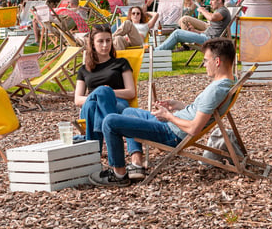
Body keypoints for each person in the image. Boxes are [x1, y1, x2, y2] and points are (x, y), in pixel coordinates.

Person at [89, 37, 236, 186]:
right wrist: (177, 105)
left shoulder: (216, 90)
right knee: (128, 111)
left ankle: (118, 175)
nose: (204, 65)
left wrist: (168, 116)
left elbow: (194, 128)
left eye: (205, 60)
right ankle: (136, 164)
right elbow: (201, 111)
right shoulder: (228, 82)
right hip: (173, 124)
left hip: (170, 133)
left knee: (110, 121)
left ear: (217, 62)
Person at [74, 25, 137, 147]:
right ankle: (110, 145)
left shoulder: (121, 63)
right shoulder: (83, 70)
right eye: (100, 41)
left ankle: (93, 152)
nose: (105, 45)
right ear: (92, 43)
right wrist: (99, 95)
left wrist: (107, 92)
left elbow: (130, 92)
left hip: (116, 103)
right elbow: (77, 100)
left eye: (108, 40)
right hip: (91, 104)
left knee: (96, 104)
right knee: (92, 104)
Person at [158, 0, 231, 52]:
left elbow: (212, 18)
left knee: (177, 33)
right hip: (205, 36)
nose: (210, 2)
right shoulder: (218, 11)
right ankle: (162, 53)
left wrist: (202, 11)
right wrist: (195, 31)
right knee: (178, 31)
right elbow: (210, 31)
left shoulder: (223, 11)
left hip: (209, 40)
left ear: (220, 0)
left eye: (212, 0)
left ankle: (156, 51)